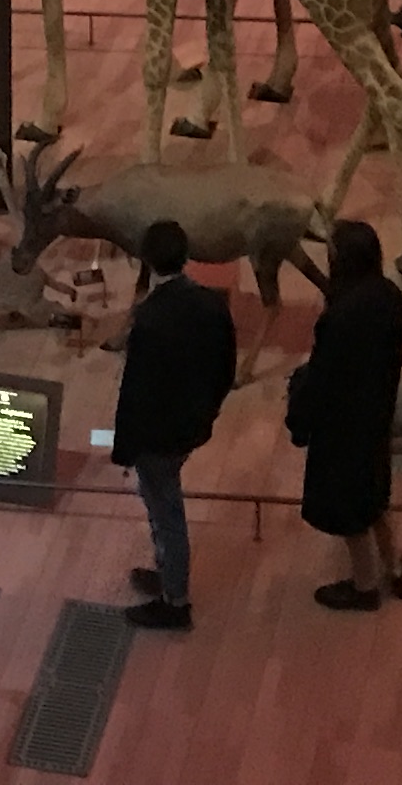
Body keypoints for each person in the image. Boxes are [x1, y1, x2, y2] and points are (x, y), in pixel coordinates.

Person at [111, 219, 236, 633]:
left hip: (157, 437)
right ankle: (168, 572)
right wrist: (208, 413)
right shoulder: (212, 304)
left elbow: (136, 393)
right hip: (191, 426)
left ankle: (175, 600)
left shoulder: (149, 320)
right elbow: (226, 368)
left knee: (166, 512)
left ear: (148, 261)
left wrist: (124, 448)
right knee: (163, 506)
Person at [286, 217, 402, 611]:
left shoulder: (340, 315)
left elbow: (324, 377)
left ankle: (365, 585)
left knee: (350, 506)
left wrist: (299, 412)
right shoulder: (390, 296)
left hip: (343, 425)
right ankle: (394, 568)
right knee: (376, 496)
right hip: (378, 412)